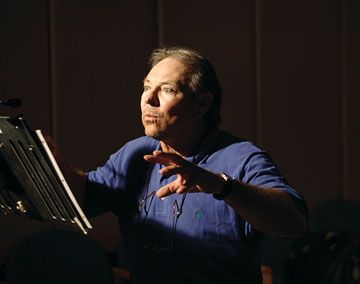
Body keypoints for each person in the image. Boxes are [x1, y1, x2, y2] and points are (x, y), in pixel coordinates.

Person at [60, 46, 308, 284]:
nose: (149, 99)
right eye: (146, 87)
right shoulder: (135, 153)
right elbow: (81, 200)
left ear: (202, 104)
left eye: (167, 90)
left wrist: (220, 186)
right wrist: (50, 163)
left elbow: (294, 224)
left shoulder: (241, 158)